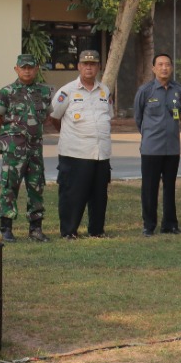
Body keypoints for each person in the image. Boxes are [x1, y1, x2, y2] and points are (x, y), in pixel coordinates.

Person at [51, 50, 115, 239]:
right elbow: (55, 118)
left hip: (100, 153)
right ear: (79, 66)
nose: (89, 67)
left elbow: (108, 117)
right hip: (75, 153)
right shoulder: (67, 91)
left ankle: (97, 230)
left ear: (98, 67)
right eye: (85, 64)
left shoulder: (105, 91)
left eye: (93, 64)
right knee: (73, 195)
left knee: (99, 195)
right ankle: (69, 231)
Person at [0, 53, 53, 242]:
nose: (27, 70)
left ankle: (35, 229)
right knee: (9, 186)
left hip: (35, 149)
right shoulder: (7, 92)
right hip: (13, 149)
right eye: (23, 67)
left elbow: (48, 116)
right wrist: (11, 134)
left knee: (36, 187)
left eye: (30, 67)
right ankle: (6, 227)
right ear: (16, 69)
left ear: (36, 69)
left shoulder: (44, 92)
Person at [132, 53, 181, 236]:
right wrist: (149, 134)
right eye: (160, 64)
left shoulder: (178, 90)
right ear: (153, 68)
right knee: (149, 188)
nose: (164, 68)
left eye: (168, 65)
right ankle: (149, 225)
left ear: (171, 68)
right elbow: (138, 118)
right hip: (151, 149)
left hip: (172, 148)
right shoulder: (145, 91)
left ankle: (169, 224)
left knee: (170, 187)